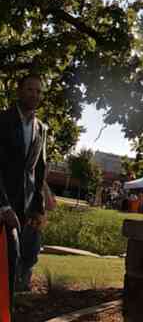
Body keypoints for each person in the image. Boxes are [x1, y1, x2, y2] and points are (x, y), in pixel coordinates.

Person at [0, 74, 49, 311]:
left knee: (21, 261)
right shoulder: (3, 120)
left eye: (39, 91)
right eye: (30, 90)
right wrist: (3, 205)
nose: (35, 95)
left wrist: (38, 208)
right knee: (6, 262)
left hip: (26, 208)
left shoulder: (41, 128)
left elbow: (39, 171)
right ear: (19, 91)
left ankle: (7, 310)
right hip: (4, 204)